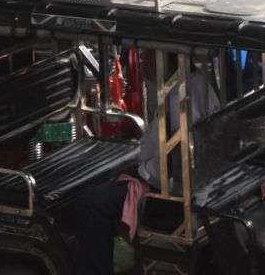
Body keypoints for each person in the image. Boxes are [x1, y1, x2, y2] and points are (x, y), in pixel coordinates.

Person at [75, 71, 219, 275]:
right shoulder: (197, 83)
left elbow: (181, 164)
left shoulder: (181, 96)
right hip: (172, 181)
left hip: (168, 195)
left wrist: (139, 172)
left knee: (91, 203)